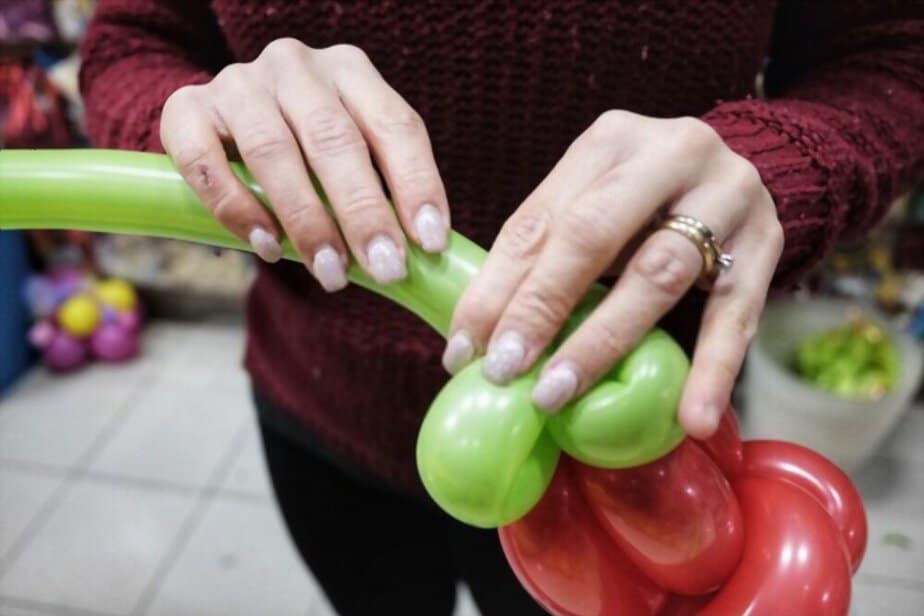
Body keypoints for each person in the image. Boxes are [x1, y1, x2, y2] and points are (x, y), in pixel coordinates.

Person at [79, 2, 924, 614]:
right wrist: (200, 131)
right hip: (321, 408)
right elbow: (132, 44)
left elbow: (889, 56)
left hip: (631, 453)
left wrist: (776, 162)